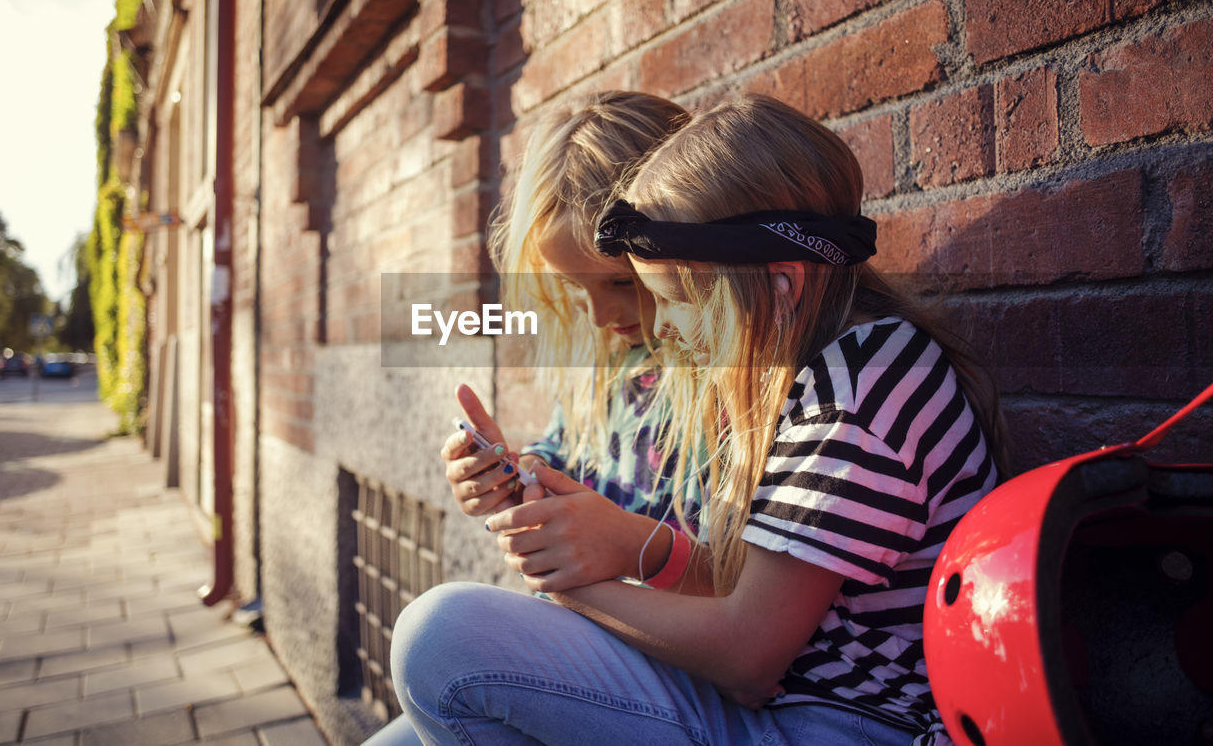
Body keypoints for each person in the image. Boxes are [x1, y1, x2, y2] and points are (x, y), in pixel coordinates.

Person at [388, 93, 1008, 745]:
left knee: (442, 635)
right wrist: (555, 502)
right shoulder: (820, 369)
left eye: (674, 299)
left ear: (780, 284)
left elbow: (748, 657)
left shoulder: (856, 393)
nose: (669, 332)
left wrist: (572, 576)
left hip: (841, 723)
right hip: (782, 701)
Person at [362, 92, 709, 745]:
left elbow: (746, 597)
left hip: (675, 674)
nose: (602, 316)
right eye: (578, 290)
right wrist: (510, 472)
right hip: (603, 643)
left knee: (439, 640)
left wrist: (621, 542)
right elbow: (563, 457)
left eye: (617, 282)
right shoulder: (615, 363)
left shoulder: (726, 373)